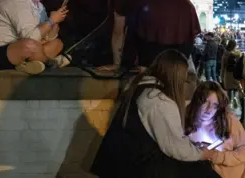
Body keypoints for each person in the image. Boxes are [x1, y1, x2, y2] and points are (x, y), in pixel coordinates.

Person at [91, 50, 221, 178]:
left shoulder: (141, 86)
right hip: (137, 166)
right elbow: (175, 147)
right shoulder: (158, 100)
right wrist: (202, 154)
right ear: (176, 76)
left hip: (122, 161)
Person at [100, 0, 202, 72]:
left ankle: (146, 72)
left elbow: (118, 32)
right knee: (178, 69)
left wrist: (116, 64)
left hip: (159, 24)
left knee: (150, 71)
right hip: (188, 19)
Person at [186, 81, 245, 178]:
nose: (209, 110)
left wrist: (215, 156)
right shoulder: (184, 118)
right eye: (206, 102)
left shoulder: (229, 121)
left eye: (215, 105)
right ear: (197, 101)